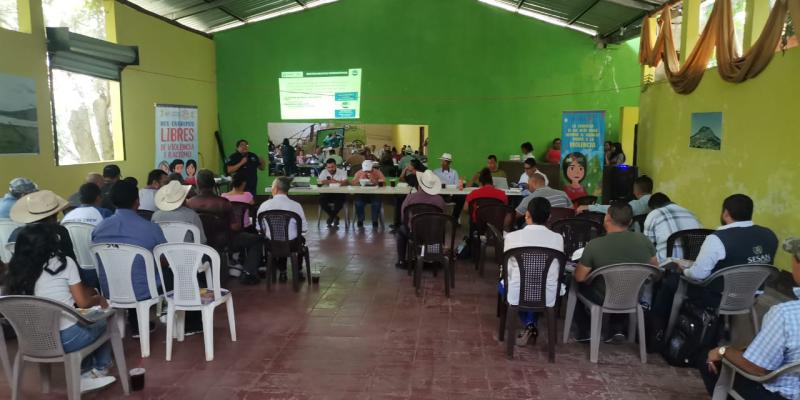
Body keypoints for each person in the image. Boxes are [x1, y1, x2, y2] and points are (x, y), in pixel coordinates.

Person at [3, 224, 117, 393]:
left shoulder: (15, 271)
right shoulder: (63, 264)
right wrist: (99, 299)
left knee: (82, 322)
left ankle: (87, 373)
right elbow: (83, 302)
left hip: (30, 341)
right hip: (65, 339)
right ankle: (98, 369)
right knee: (100, 320)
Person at [701, 239, 800, 400]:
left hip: (779, 395)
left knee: (708, 357)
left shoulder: (785, 314)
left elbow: (758, 368)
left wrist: (722, 351)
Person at [652, 194, 778, 321]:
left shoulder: (718, 238)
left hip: (719, 298)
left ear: (726, 213)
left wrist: (683, 269)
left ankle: (658, 326)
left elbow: (697, 275)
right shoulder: (770, 235)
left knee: (672, 281)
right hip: (751, 297)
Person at [91, 180, 188, 336]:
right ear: (137, 201)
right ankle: (168, 316)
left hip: (110, 289)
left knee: (133, 273)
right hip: (143, 290)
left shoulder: (98, 229)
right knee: (170, 273)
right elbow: (165, 260)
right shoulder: (150, 228)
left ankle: (136, 321)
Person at [572, 203, 658, 341]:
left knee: (574, 283)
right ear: (630, 222)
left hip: (604, 297)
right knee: (625, 283)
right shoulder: (644, 241)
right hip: (634, 295)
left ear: (607, 218)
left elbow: (580, 277)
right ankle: (617, 328)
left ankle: (586, 330)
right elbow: (654, 270)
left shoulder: (595, 244)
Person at [501, 197, 564, 345]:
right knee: (536, 287)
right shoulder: (558, 239)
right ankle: (531, 324)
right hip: (548, 295)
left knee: (505, 284)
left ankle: (529, 324)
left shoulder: (512, 237)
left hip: (517, 292)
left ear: (527, 215)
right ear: (549, 217)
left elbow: (508, 269)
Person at [187, 170, 264, 285]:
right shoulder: (223, 203)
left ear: (197, 184)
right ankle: (248, 272)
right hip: (224, 242)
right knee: (258, 239)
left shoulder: (190, 203)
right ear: (214, 184)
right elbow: (234, 226)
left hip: (198, 243)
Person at [256, 177, 308, 282]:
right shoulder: (296, 206)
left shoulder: (264, 205)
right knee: (299, 239)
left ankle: (282, 272)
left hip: (271, 245)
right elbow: (304, 229)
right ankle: (298, 271)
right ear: (287, 190)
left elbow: (259, 228)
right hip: (292, 245)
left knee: (277, 238)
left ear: (274, 189)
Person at [395, 170, 446, 268]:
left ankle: (401, 260)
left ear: (419, 185)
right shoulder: (440, 200)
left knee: (401, 230)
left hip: (414, 234)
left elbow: (403, 218)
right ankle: (436, 257)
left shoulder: (410, 198)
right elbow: (442, 219)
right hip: (434, 234)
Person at [9, 190, 76, 262]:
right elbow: (71, 259)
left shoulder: (15, 233)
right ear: (54, 217)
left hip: (24, 272)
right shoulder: (61, 231)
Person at [642, 193, 702, 262]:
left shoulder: (654, 214)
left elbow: (647, 247)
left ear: (653, 207)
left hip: (667, 265)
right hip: (693, 265)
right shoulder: (692, 214)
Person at [151, 180, 207, 244]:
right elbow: (202, 241)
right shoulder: (191, 215)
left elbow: (153, 240)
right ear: (184, 198)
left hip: (163, 253)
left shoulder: (155, 216)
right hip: (190, 253)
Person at [579, 175, 653, 216]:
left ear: (636, 191)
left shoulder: (637, 205)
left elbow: (614, 209)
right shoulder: (659, 202)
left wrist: (588, 207)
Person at [351, 160, 386, 228]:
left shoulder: (378, 172)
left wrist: (375, 181)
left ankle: (374, 220)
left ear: (372, 168)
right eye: (365, 171)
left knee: (376, 203)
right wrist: (360, 179)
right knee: (358, 203)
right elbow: (352, 184)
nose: (367, 172)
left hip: (375, 194)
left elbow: (384, 184)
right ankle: (360, 220)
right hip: (362, 194)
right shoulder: (359, 172)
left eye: (369, 171)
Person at [433, 152, 465, 222]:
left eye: (445, 161)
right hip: (439, 195)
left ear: (449, 163)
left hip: (450, 194)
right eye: (442, 161)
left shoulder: (454, 172)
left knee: (462, 197)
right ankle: (437, 218)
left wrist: (451, 188)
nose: (442, 163)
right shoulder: (436, 172)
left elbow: (456, 185)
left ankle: (454, 218)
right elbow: (433, 184)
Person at [317, 158, 348, 227]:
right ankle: (334, 216)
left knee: (340, 201)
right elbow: (320, 181)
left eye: (332, 167)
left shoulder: (342, 171)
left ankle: (331, 217)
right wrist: (330, 181)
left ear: (335, 166)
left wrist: (336, 182)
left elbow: (346, 182)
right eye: (329, 167)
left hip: (339, 194)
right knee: (321, 200)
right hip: (327, 194)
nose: (331, 169)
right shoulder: (324, 172)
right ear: (326, 167)